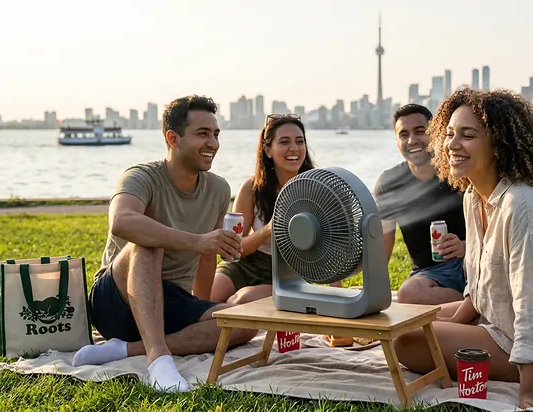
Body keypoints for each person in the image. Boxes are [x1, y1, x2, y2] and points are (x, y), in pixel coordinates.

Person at [393, 88, 533, 410]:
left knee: (405, 342)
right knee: (405, 319)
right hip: (499, 321)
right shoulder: (473, 197)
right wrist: (454, 325)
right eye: (449, 134)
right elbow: (478, 287)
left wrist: (529, 394)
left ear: (499, 143)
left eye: (468, 135)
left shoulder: (524, 207)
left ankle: (527, 376)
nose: (452, 144)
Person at [71, 95, 257, 393]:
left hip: (171, 301)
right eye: (202, 134)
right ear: (173, 138)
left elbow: (208, 255)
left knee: (244, 323)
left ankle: (127, 350)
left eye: (215, 134)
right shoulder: (141, 177)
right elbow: (122, 221)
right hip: (116, 300)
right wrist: (195, 242)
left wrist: (202, 306)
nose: (213, 143)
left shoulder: (219, 188)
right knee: (148, 242)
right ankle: (158, 359)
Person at [210, 114, 340, 304]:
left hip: (286, 273)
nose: (294, 148)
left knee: (239, 301)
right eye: (285, 142)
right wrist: (267, 231)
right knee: (206, 297)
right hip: (245, 265)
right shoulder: (251, 189)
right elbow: (234, 250)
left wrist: (338, 300)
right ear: (268, 150)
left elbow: (333, 248)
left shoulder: (317, 189)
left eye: (299, 141)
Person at [374, 104, 467, 305]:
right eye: (403, 134)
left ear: (435, 133)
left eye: (419, 131)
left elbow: (494, 228)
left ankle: (475, 304)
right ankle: (476, 305)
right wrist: (371, 288)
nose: (412, 140)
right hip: (430, 274)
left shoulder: (459, 171)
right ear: (397, 141)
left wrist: (465, 247)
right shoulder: (389, 183)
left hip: (474, 262)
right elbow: (383, 243)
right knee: (409, 293)